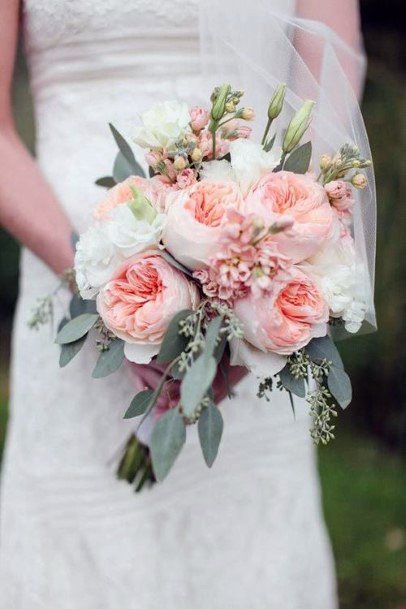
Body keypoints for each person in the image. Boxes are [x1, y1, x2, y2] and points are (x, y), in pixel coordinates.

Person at [0, 1, 364, 607]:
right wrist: (104, 289)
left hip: (261, 281)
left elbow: (330, 94)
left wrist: (259, 299)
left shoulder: (261, 297)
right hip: (67, 264)